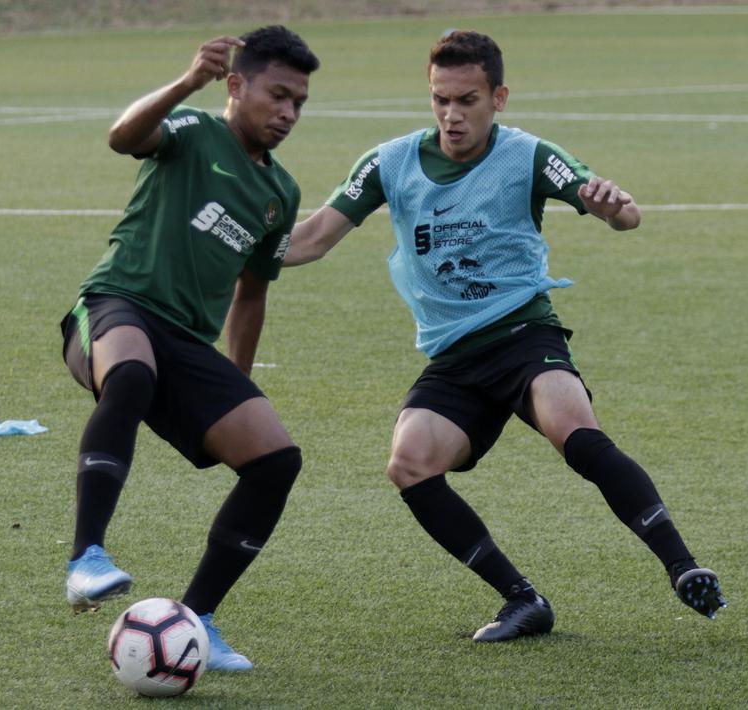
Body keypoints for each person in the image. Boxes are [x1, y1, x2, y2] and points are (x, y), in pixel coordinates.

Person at [284, 30, 725, 642]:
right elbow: (310, 239)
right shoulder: (389, 162)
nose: (451, 115)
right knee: (410, 463)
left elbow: (626, 215)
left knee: (574, 431)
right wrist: (234, 248)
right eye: (440, 99)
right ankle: (523, 599)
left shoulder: (529, 155)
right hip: (454, 354)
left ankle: (682, 567)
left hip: (523, 335)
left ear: (499, 97)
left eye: (467, 100)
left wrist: (612, 207)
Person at [59, 26, 319, 671]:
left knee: (276, 460)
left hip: (186, 342)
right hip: (116, 304)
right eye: (277, 95)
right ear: (235, 84)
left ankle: (197, 618)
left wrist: (237, 383)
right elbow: (123, 137)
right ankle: (86, 559)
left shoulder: (280, 194)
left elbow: (251, 294)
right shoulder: (194, 130)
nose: (288, 113)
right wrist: (185, 82)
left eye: (298, 102)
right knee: (130, 375)